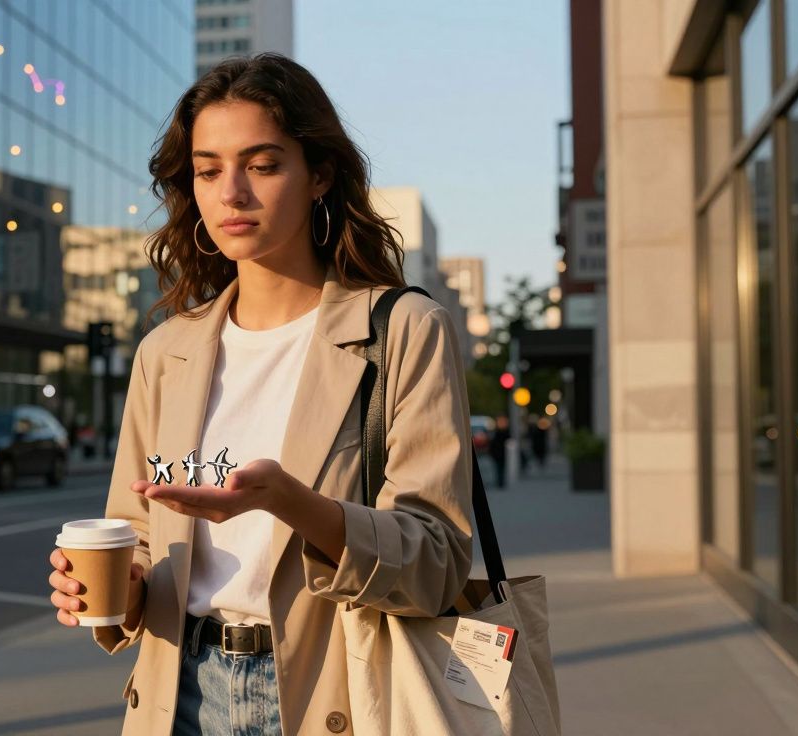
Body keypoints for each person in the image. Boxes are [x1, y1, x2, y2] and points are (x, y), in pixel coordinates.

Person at [46, 53, 473, 735]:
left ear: (319, 176)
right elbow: (146, 542)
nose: (232, 193)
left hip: (333, 692)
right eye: (209, 170)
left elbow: (437, 562)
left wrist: (293, 504)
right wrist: (117, 589)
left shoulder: (403, 329)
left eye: (263, 165)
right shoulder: (167, 351)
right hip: (177, 693)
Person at [489, 414, 510, 488]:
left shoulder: (506, 432)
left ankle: (501, 481)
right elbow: (492, 443)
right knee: (498, 468)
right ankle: (499, 481)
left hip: (503, 453)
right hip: (497, 453)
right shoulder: (495, 432)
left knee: (502, 468)